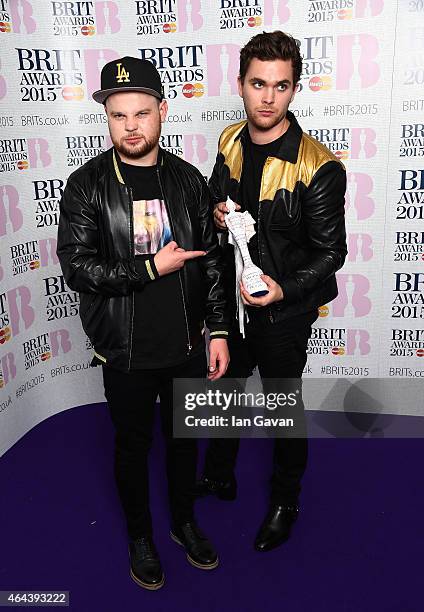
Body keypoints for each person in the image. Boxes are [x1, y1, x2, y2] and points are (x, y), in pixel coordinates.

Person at [57, 56, 230, 590]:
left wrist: (219, 330)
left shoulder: (187, 180)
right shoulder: (85, 186)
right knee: (132, 447)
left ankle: (182, 522)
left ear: (162, 111)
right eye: (118, 115)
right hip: (125, 349)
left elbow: (214, 260)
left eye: (142, 112)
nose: (131, 125)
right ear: (107, 119)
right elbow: (78, 268)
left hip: (183, 343)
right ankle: (141, 536)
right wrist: (152, 266)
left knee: (183, 441)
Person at [196, 31, 347, 552]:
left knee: (284, 406)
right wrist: (217, 213)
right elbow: (219, 206)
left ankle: (286, 500)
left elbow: (332, 253)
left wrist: (282, 291)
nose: (267, 97)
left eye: (280, 86)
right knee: (225, 392)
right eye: (258, 83)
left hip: (283, 313)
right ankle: (219, 474)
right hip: (234, 308)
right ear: (240, 84)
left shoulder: (319, 166)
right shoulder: (230, 142)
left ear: (294, 90)